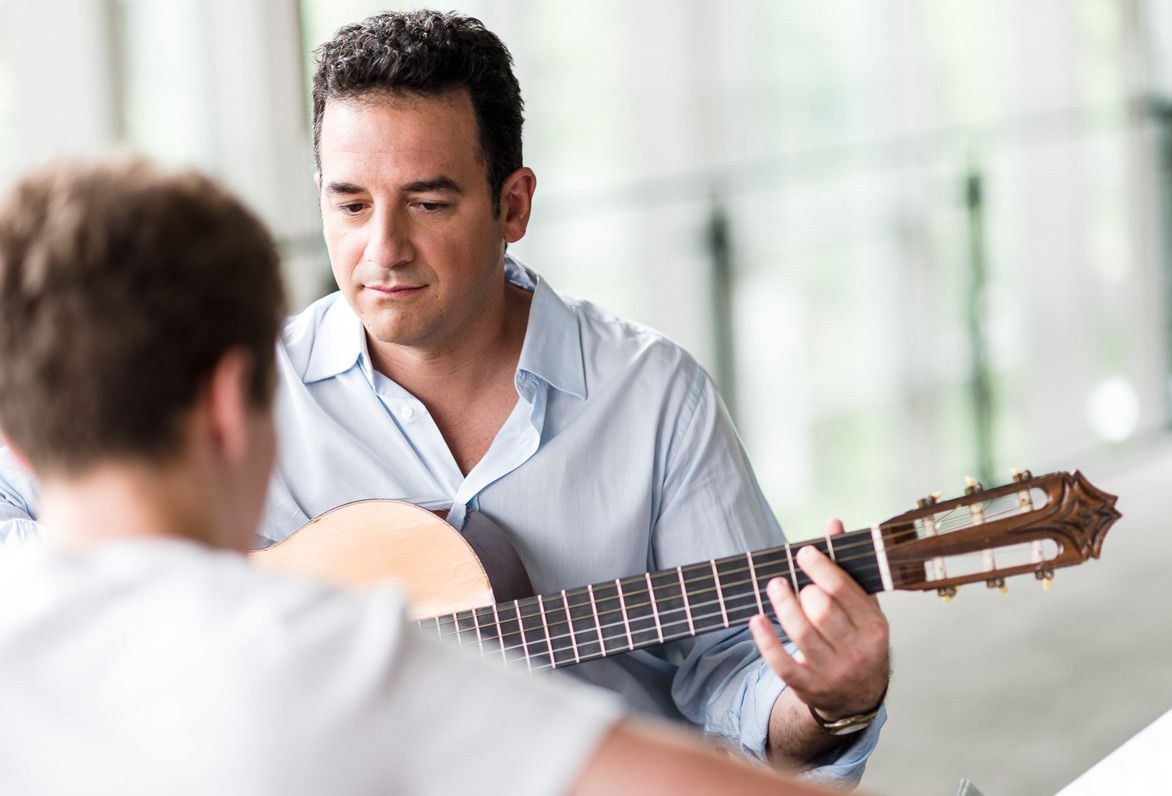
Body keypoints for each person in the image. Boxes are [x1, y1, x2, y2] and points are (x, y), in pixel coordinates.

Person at [0, 10, 890, 787]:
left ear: (512, 205)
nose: (381, 251)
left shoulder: (655, 397)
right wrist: (223, 611)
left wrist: (833, 707)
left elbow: (742, 681)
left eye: (426, 204)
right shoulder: (237, 389)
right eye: (350, 206)